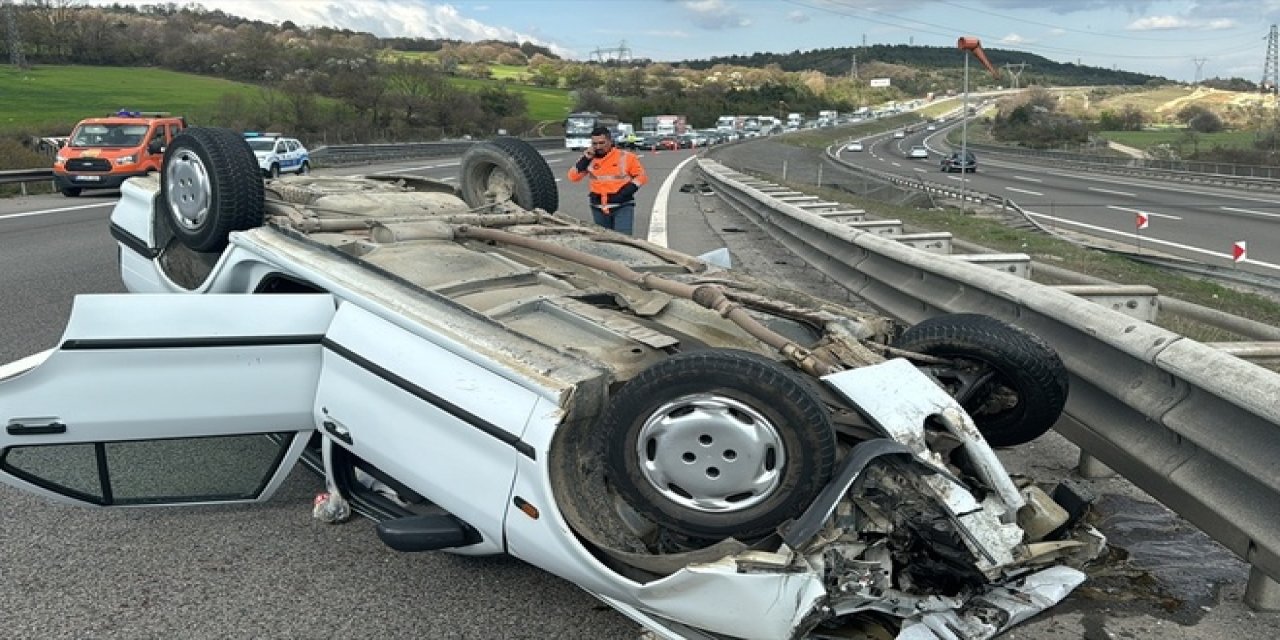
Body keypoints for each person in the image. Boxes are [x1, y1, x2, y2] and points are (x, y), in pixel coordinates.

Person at [567, 126, 648, 235]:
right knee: (605, 243)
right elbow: (573, 177)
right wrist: (585, 160)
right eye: (594, 144)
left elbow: (641, 176)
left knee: (623, 241)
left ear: (610, 141)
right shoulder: (589, 159)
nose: (598, 147)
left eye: (601, 143)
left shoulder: (625, 157)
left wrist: (625, 192)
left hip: (622, 205)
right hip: (598, 207)